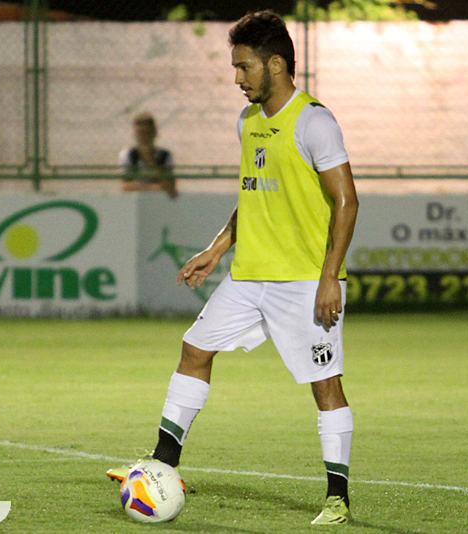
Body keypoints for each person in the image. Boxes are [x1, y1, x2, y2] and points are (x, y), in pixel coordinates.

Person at [108, 10, 359, 525]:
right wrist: (217, 248)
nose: (237, 79)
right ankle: (164, 464)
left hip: (305, 281)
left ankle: (338, 497)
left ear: (277, 64)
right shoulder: (248, 122)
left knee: (325, 384)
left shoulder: (314, 121)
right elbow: (254, 196)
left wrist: (330, 276)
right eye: (234, 68)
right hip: (249, 276)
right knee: (194, 349)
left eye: (244, 67)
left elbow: (346, 201)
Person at [119, 112, 177, 198]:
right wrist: (154, 187)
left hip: (160, 200)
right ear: (135, 135)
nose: (144, 137)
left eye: (147, 133)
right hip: (136, 200)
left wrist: (150, 160)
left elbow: (170, 188)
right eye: (140, 133)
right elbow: (125, 186)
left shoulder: (165, 155)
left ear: (154, 134)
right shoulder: (128, 154)